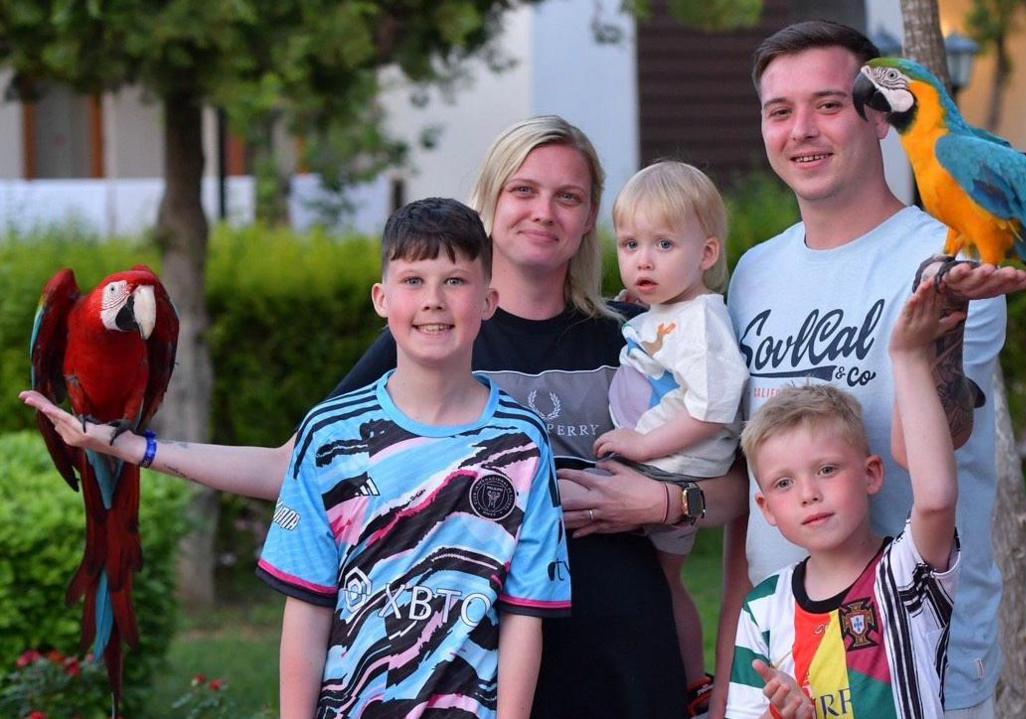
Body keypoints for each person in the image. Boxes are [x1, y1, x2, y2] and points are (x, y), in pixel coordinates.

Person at [23, 115, 747, 719]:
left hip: (621, 660)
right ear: (490, 201)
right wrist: (138, 447)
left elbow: (737, 487)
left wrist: (656, 500)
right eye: (523, 190)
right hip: (469, 673)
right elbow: (300, 463)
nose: (545, 211)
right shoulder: (436, 333)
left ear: (591, 215)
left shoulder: (639, 336)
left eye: (569, 196)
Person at [712, 20, 1026, 719]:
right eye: (780, 111)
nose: (802, 129)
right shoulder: (752, 275)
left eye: (828, 105)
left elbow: (943, 440)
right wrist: (729, 677)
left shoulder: (946, 260)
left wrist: (924, 341)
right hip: (782, 659)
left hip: (915, 653)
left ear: (879, 118)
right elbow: (753, 495)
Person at [257, 197, 567, 717]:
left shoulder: (523, 443)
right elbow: (307, 610)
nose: (434, 300)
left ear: (489, 300)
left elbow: (523, 617)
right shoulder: (329, 436)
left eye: (455, 281)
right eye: (413, 280)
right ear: (381, 298)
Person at [726, 279, 963, 719]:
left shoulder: (904, 574)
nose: (809, 494)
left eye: (827, 470)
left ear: (871, 474)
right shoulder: (762, 609)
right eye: (783, 484)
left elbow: (936, 499)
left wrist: (908, 356)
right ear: (766, 510)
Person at [584, 160, 748, 704]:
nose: (642, 260)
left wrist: (641, 445)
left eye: (663, 246)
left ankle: (687, 683)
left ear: (705, 254)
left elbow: (713, 409)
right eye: (630, 245)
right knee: (658, 579)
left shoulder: (702, 321)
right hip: (656, 461)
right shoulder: (669, 311)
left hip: (670, 467)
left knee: (661, 581)